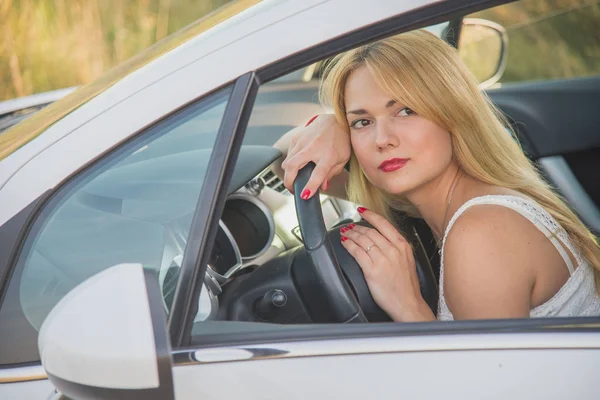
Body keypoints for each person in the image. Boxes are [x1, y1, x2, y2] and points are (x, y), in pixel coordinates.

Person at [273, 30, 600, 322]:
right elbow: (284, 161)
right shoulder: (420, 201)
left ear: (452, 111)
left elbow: (483, 387)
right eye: (363, 121)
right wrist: (328, 124)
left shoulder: (484, 231)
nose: (382, 139)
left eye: (405, 111)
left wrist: (407, 306)